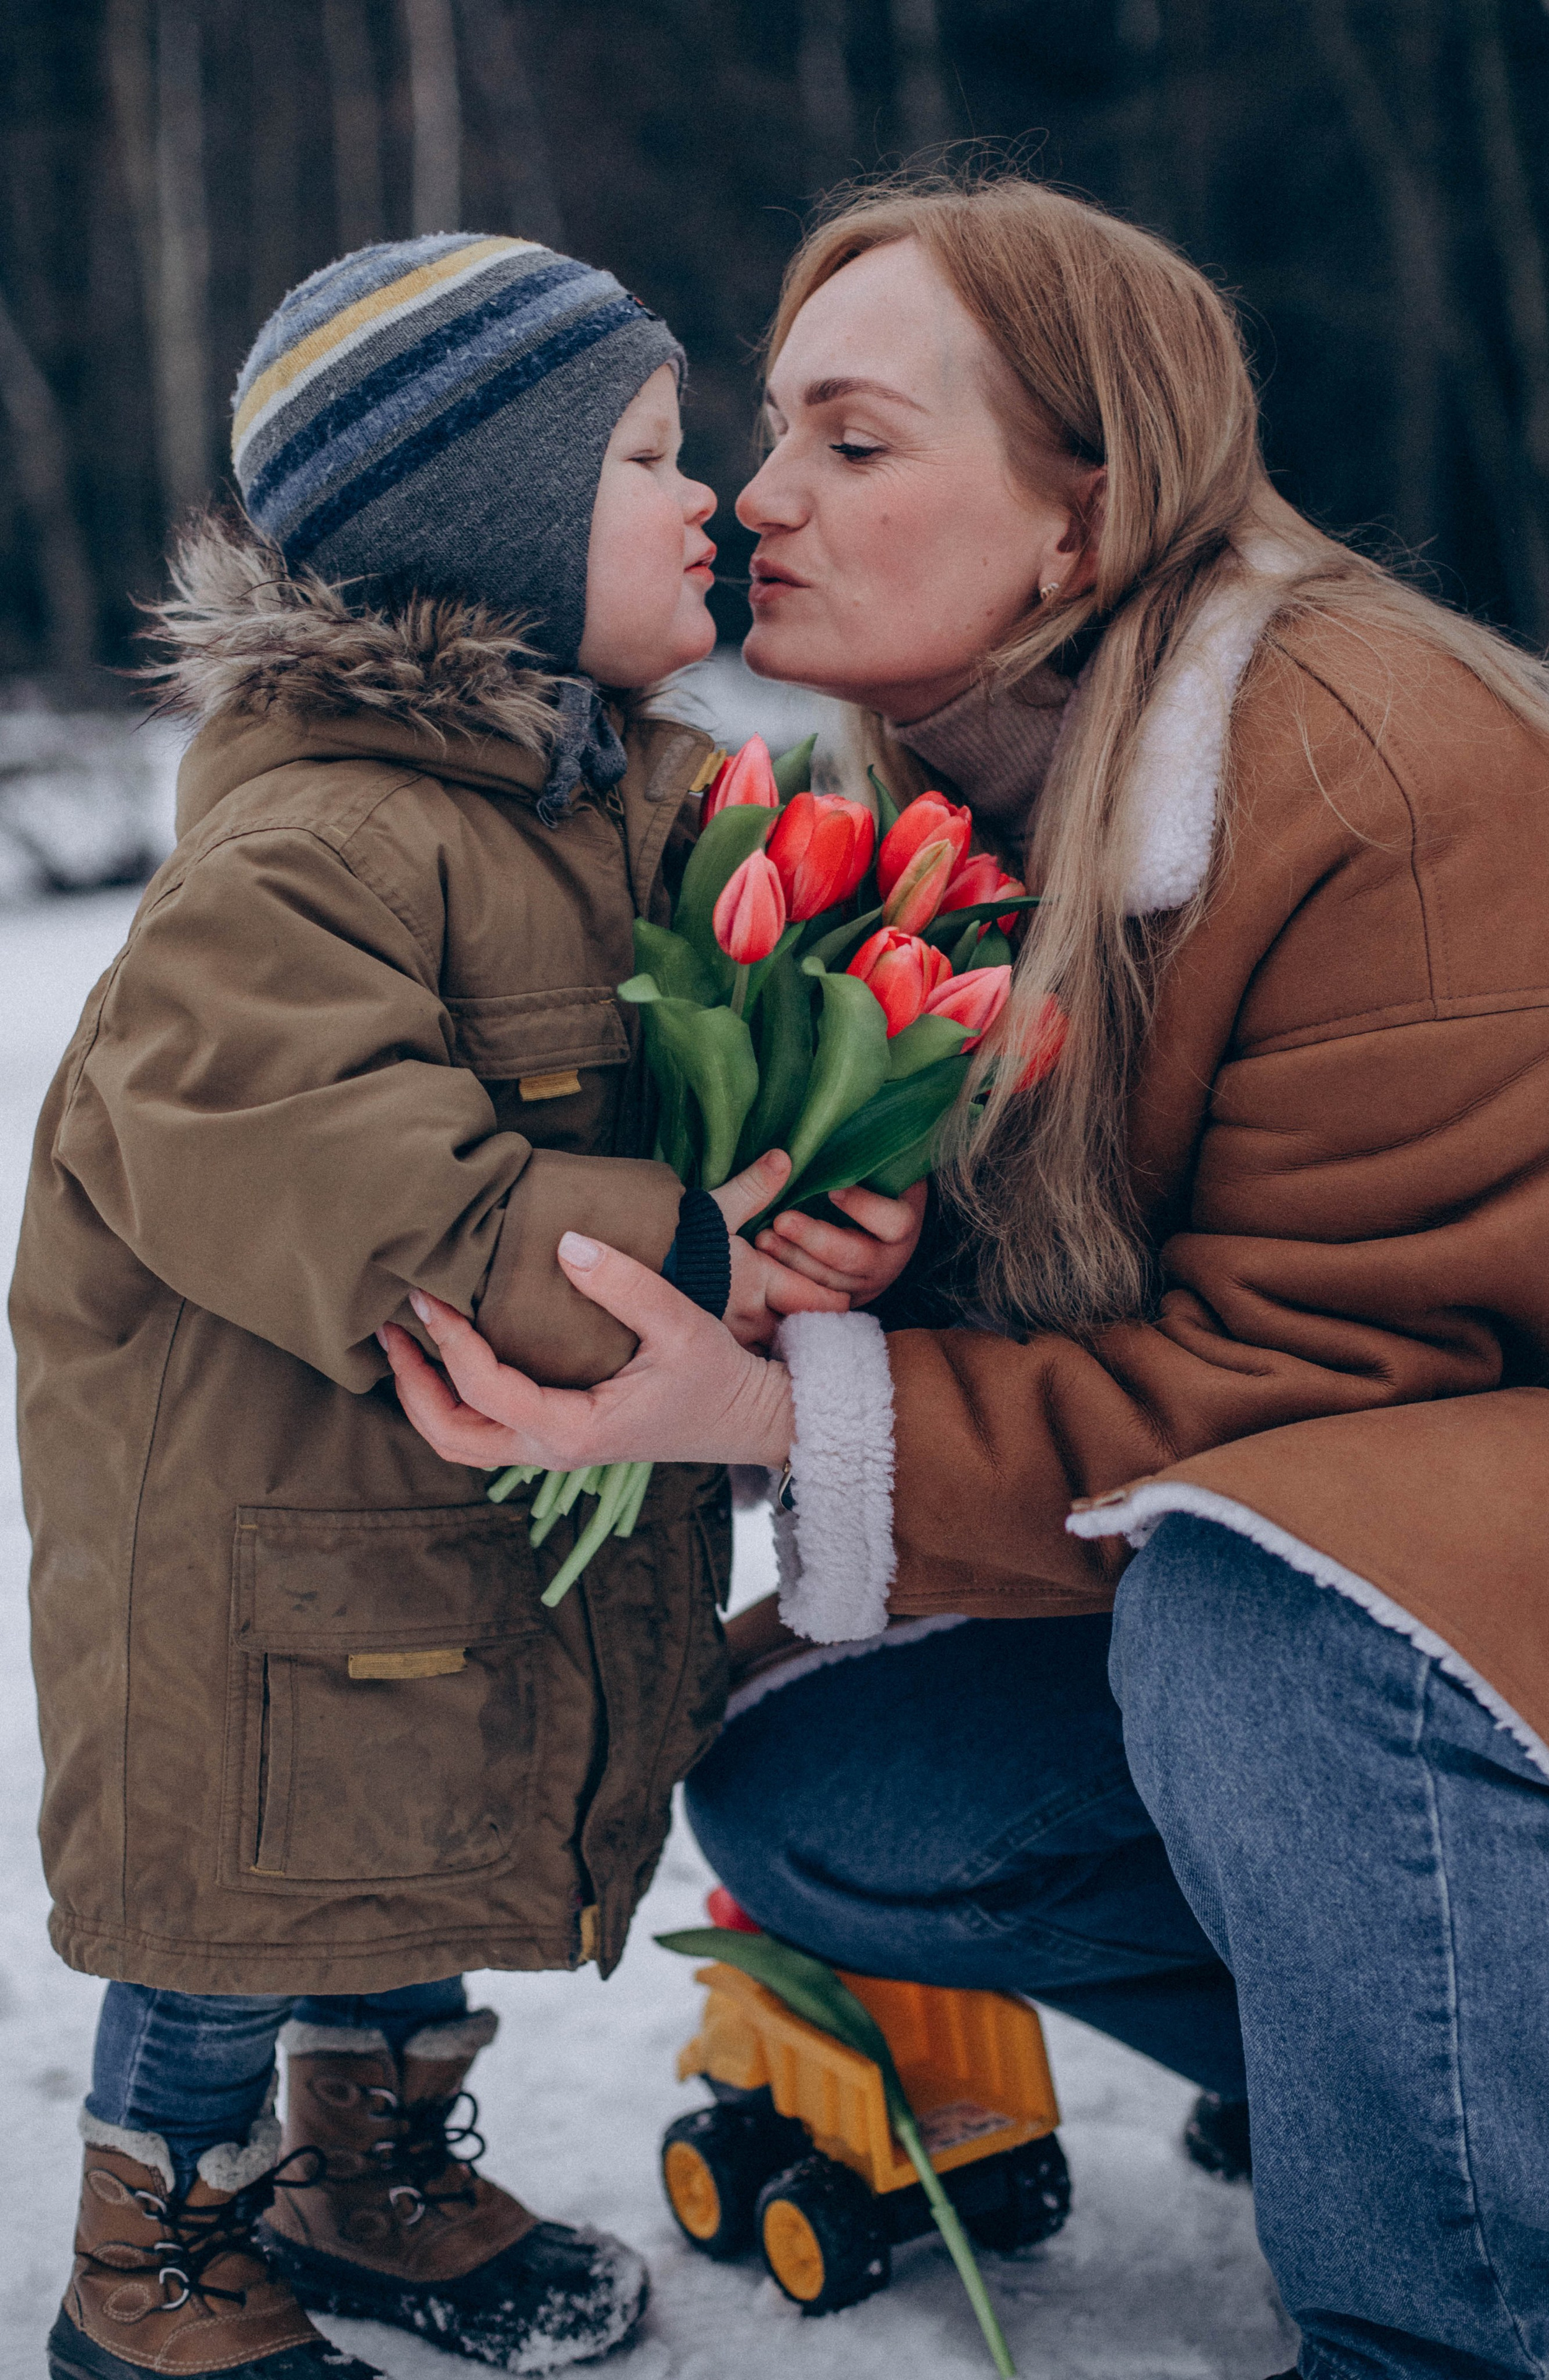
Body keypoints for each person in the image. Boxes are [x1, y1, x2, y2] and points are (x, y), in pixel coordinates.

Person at [383, 179, 1549, 2378]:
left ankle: (1465, 2319)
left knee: (1260, 1603)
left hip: (1498, 1582)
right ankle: (1445, 2072)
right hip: (1389, 1594)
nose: (757, 498)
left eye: (855, 443)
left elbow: (1337, 1403)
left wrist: (777, 1419)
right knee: (819, 1777)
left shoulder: (1379, 779)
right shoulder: (944, 803)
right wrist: (796, 1291)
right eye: (768, 434)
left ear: (1083, 520)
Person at [9, 232, 923, 2380]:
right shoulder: (315, 848)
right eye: (644, 457)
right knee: (246, 1901)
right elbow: (339, 1169)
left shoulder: (631, 807)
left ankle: (371, 2165)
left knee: (422, 1859)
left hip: (469, 1496)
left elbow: (755, 1014)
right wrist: (691, 1254)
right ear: (488, 531)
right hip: (266, 1540)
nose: (711, 499)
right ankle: (157, 2258)